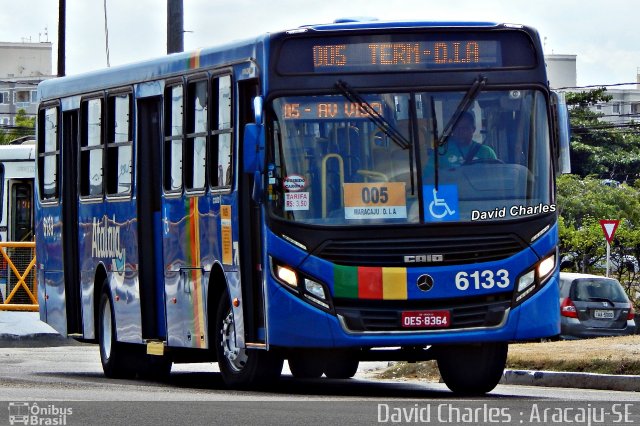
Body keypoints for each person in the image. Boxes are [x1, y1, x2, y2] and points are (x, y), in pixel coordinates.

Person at [423, 111, 496, 179]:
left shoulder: (487, 152)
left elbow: (496, 179)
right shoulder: (441, 152)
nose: (460, 132)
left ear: (473, 129)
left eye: (465, 128)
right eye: (457, 128)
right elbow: (427, 178)